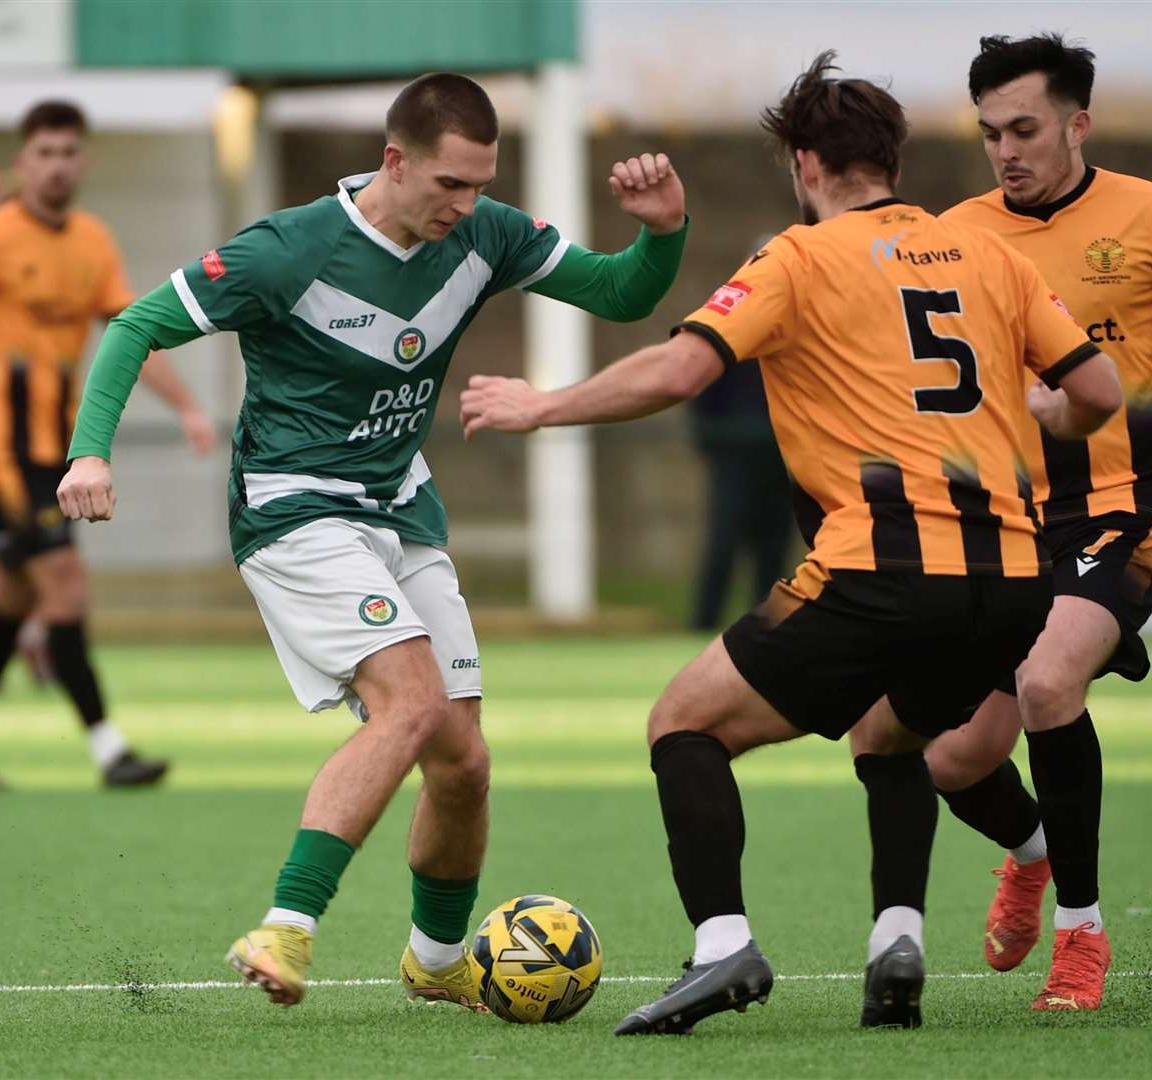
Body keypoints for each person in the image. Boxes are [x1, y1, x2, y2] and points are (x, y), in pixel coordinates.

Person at [460, 52, 1122, 1034]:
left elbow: (681, 370)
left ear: (805, 165)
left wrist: (542, 405)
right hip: (1011, 580)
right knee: (886, 731)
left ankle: (723, 950)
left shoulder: (797, 257)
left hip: (880, 566)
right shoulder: (988, 255)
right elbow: (1099, 395)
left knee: (682, 723)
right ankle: (895, 941)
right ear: (889, 158)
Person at [55, 72, 688, 1010]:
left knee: (464, 763)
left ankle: (435, 968)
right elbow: (136, 324)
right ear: (394, 162)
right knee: (412, 701)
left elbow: (619, 294)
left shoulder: (484, 235)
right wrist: (90, 455)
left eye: (480, 185)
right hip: (292, 508)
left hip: (399, 505)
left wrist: (663, 230)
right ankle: (288, 925)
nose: (466, 207)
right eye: (450, 186)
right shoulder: (287, 250)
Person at [851, 33, 1152, 1013]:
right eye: (989, 131)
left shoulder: (1151, 217)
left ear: (1077, 123)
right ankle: (1033, 856)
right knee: (951, 757)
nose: (1005, 148)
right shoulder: (951, 234)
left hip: (1127, 504)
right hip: (1006, 517)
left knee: (1046, 683)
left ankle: (1080, 939)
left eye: (1024, 129)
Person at [0, 101, 215, 788]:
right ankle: (110, 749)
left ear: (82, 162)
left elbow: (131, 333)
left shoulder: (91, 242)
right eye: (44, 154)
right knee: (63, 585)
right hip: (2, 453)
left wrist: (187, 407)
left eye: (68, 153)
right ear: (24, 164)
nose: (57, 166)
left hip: (56, 451)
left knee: (11, 601)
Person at [686, 354, 792, 631]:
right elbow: (703, 396)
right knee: (723, 546)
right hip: (735, 458)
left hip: (781, 458)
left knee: (774, 551)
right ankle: (703, 625)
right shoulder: (729, 339)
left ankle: (768, 630)